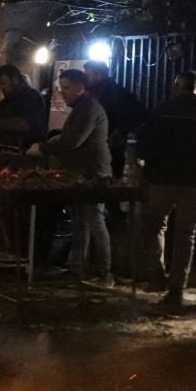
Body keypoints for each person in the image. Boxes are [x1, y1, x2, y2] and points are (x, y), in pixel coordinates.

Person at [134, 71, 196, 307]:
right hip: (194, 182)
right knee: (186, 233)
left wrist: (148, 165)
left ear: (176, 88)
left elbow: (143, 143)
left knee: (155, 224)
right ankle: (177, 288)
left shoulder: (161, 111)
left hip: (162, 179)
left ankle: (156, 274)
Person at [40, 69, 113, 283]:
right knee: (80, 222)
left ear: (81, 87)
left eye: (67, 88)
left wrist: (45, 148)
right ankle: (77, 269)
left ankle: (105, 272)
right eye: (60, 88)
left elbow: (73, 141)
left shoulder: (88, 108)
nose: (62, 93)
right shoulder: (80, 108)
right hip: (81, 172)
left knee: (94, 221)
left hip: (93, 173)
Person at [83, 60, 146, 179]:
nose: (85, 79)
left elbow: (136, 114)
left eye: (88, 75)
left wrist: (120, 132)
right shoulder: (92, 93)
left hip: (107, 148)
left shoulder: (115, 94)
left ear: (99, 75)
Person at [0, 65, 47, 152]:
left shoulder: (32, 96)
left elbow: (25, 124)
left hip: (27, 154)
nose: (1, 88)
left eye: (3, 83)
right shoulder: (3, 104)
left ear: (15, 80)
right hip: (4, 154)